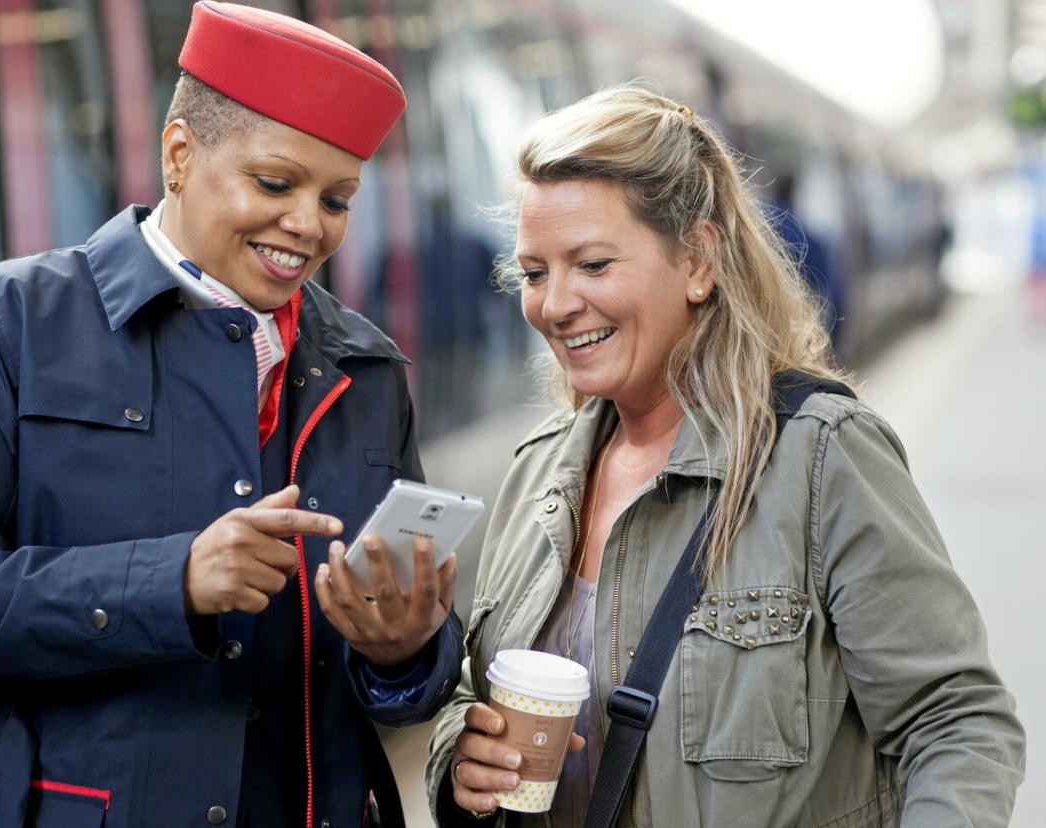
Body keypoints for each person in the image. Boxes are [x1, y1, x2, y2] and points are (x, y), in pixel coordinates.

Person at [0, 4, 462, 827]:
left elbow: (392, 686)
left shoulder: (368, 368)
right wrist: (168, 582)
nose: (309, 225)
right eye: (276, 183)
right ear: (179, 154)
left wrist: (402, 650)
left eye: (338, 199)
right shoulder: (5, 322)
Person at [426, 86, 1024, 827]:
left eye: (592, 263)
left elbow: (956, 723)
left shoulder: (821, 457)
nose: (554, 304)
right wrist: (462, 755)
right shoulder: (539, 471)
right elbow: (468, 698)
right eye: (536, 273)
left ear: (698, 260)